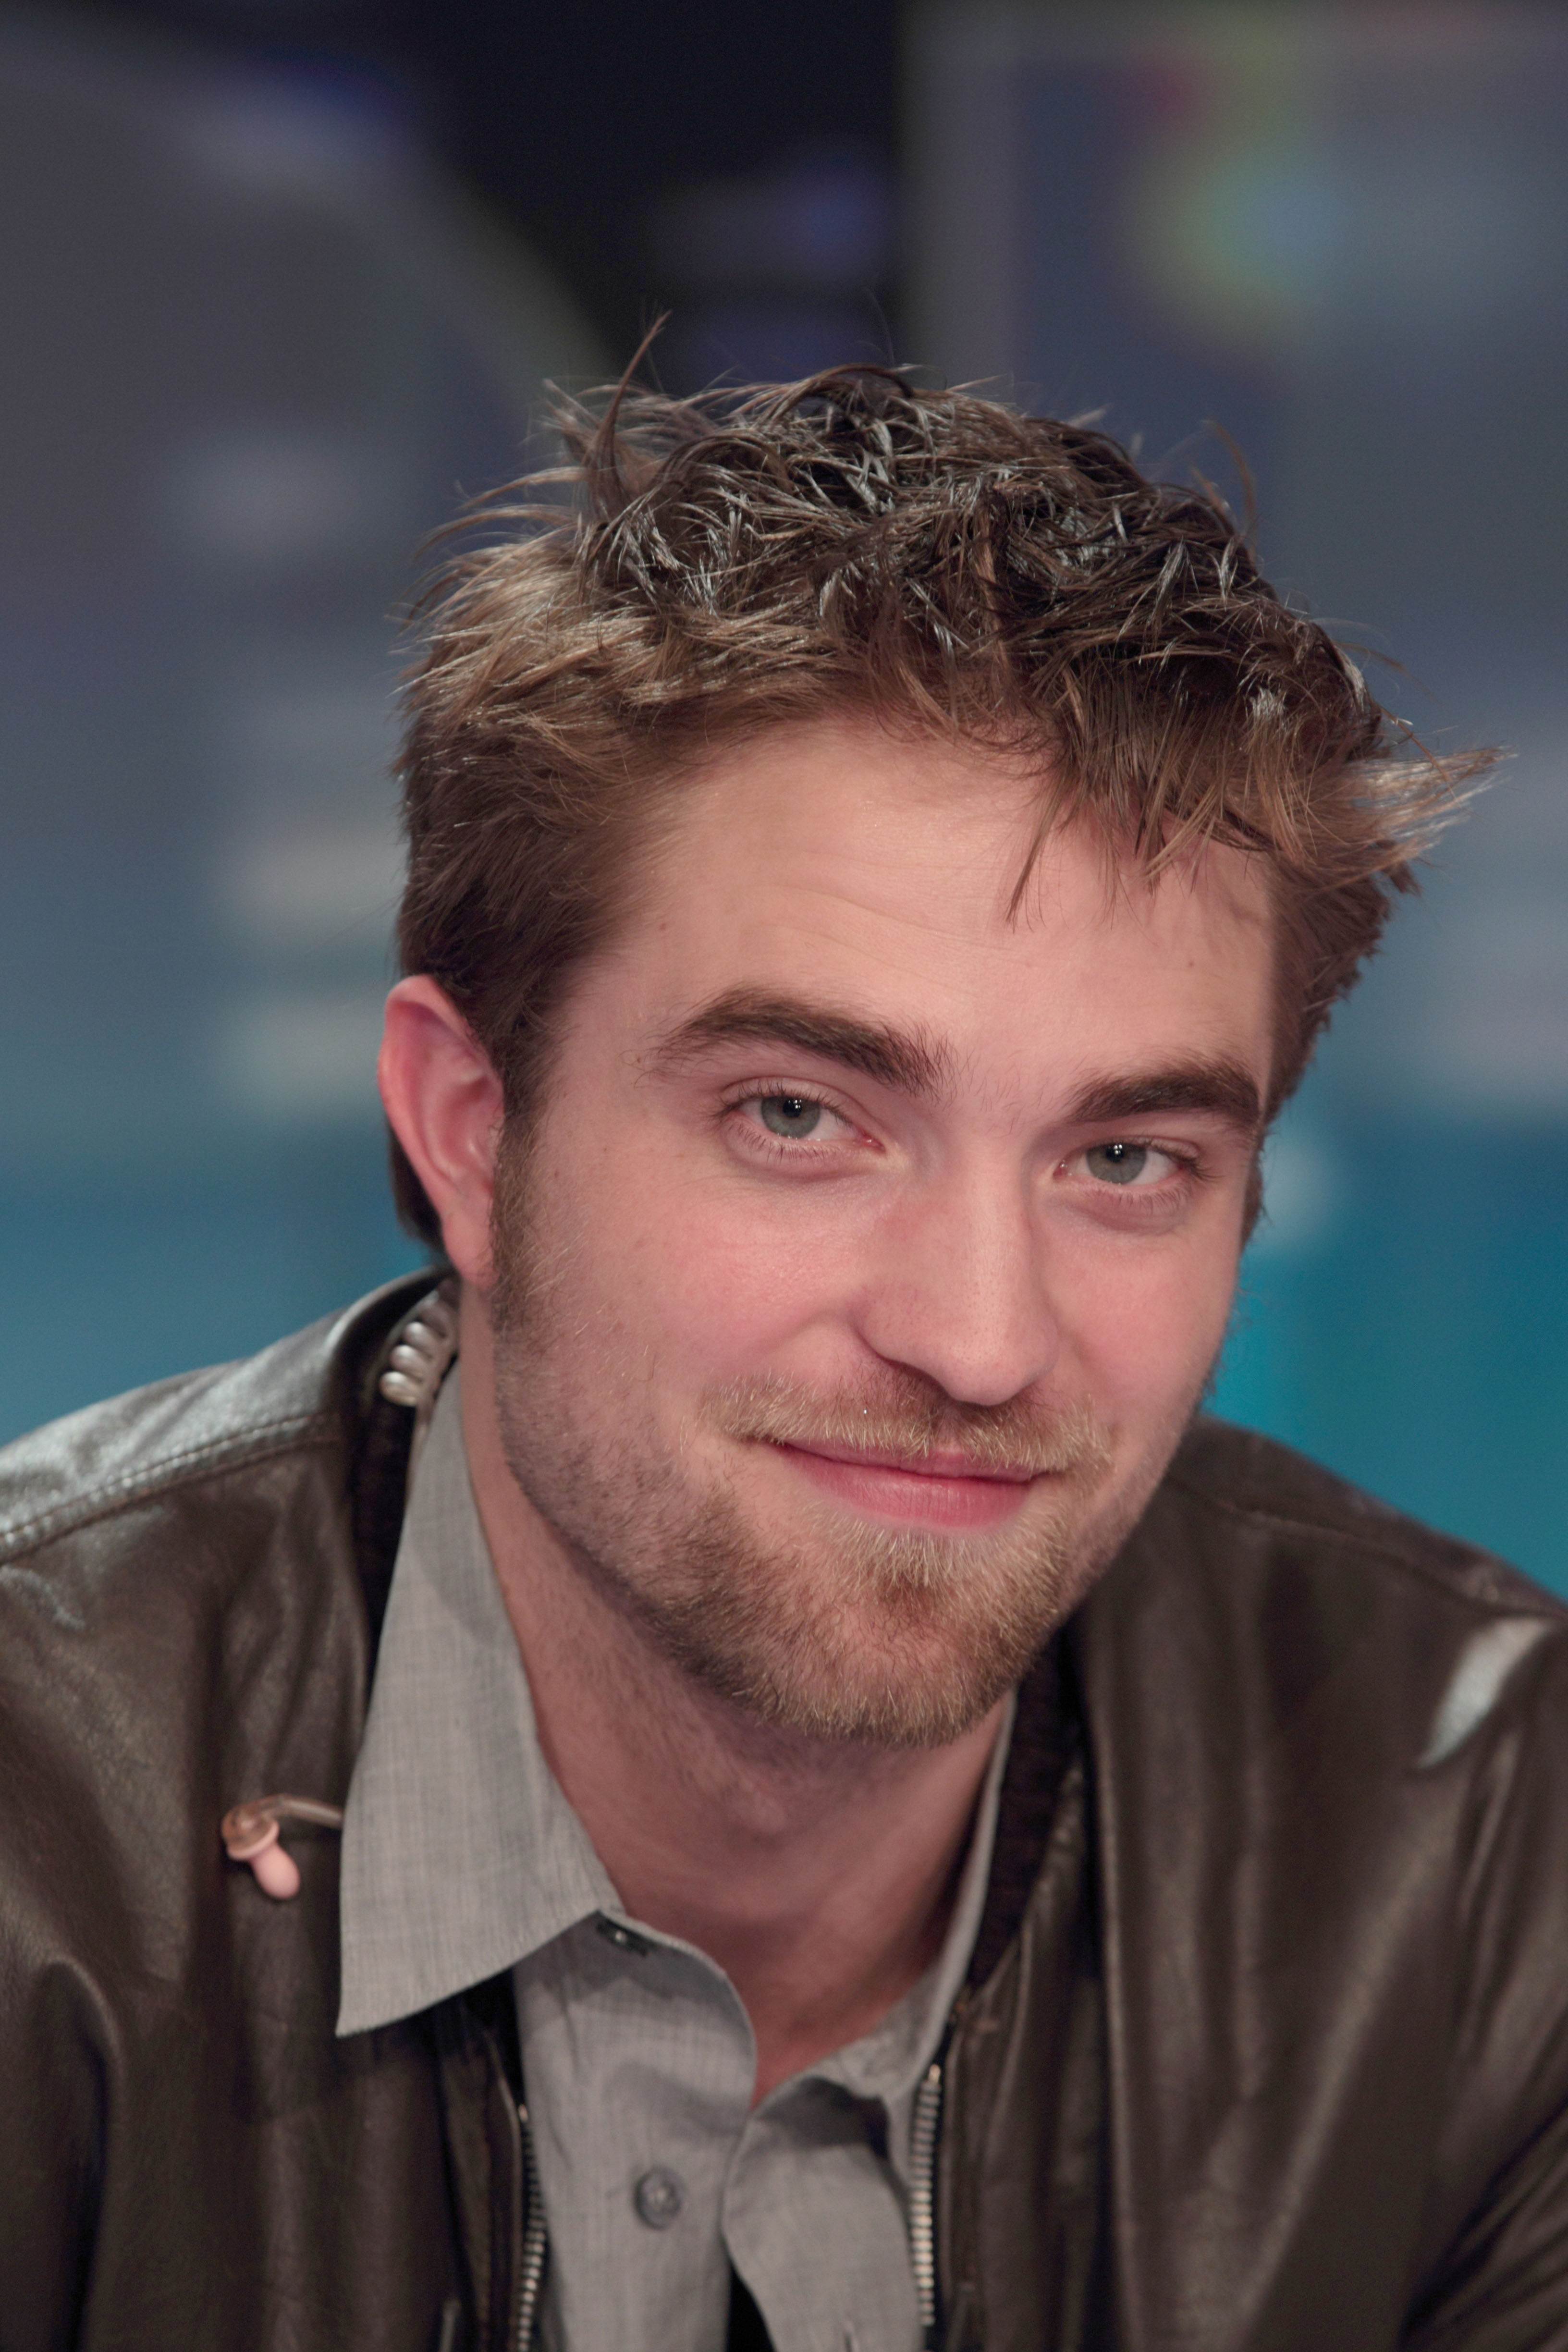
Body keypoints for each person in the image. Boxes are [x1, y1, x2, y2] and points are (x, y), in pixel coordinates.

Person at [1, 369, 1563, 2352]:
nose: (978, 1341)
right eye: (801, 1118)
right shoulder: (33, 1831)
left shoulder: (1487, 1840)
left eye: (1124, 1160)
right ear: (471, 1133)